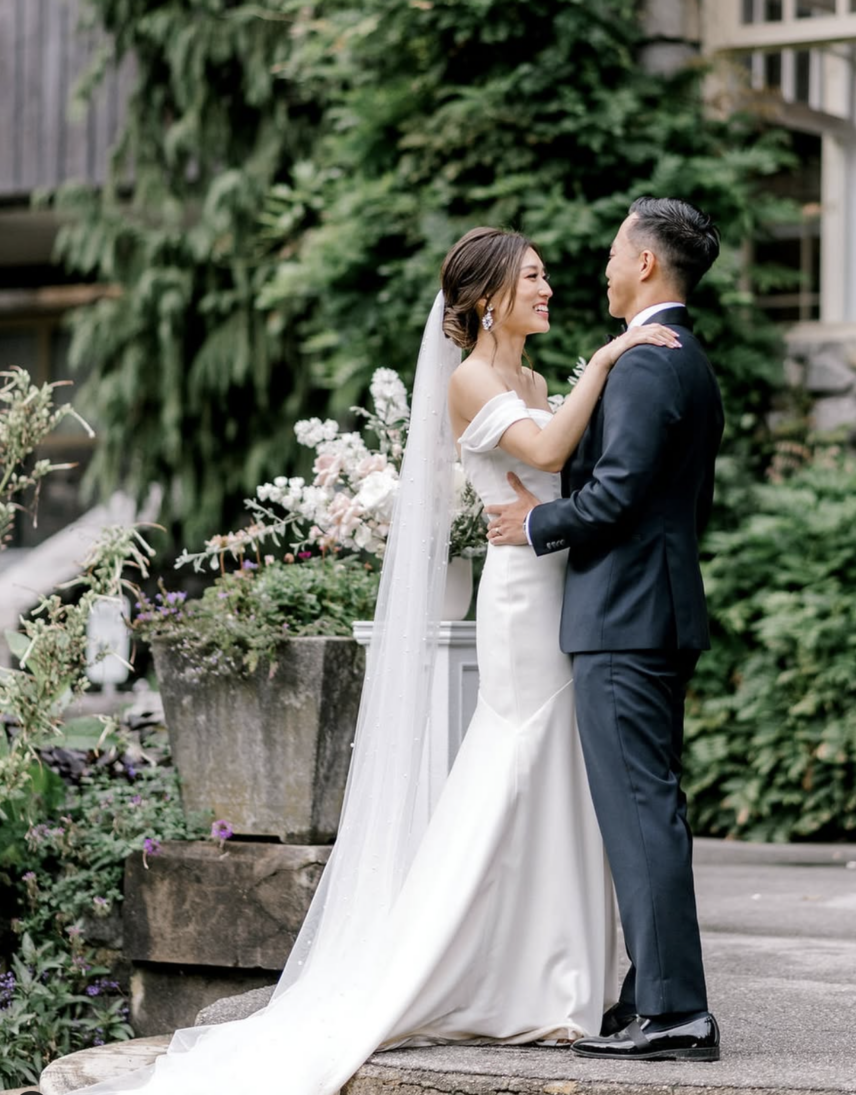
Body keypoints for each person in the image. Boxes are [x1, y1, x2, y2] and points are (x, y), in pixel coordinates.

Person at [66, 227, 680, 1095]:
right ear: (487, 296)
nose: (549, 287)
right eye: (533, 276)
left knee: (557, 774)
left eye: (546, 273)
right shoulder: (472, 379)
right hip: (519, 598)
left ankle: (556, 977)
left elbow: (567, 477)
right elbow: (543, 455)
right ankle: (470, 966)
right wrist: (615, 354)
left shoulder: (536, 379)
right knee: (518, 760)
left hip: (557, 583)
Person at [487, 197, 724, 1062]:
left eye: (617, 252)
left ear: (648, 265)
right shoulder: (685, 360)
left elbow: (619, 492)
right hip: (650, 608)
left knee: (640, 808)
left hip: (625, 616)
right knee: (646, 805)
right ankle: (650, 994)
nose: (604, 267)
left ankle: (675, 1012)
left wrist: (537, 526)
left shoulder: (649, 365)